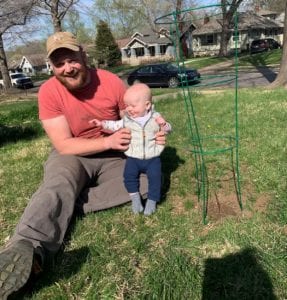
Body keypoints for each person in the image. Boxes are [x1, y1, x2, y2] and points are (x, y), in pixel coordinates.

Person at [0, 31, 166, 299]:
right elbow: (64, 144)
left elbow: (132, 117)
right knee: (57, 184)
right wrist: (107, 141)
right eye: (59, 63)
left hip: (115, 155)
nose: (67, 68)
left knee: (148, 180)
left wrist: (148, 131)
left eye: (71, 59)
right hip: (73, 153)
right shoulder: (48, 92)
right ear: (52, 67)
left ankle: (67, 205)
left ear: (83, 57)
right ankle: (28, 250)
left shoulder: (110, 82)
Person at [90, 83, 171, 216]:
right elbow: (114, 125)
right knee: (128, 177)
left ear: (147, 105)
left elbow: (168, 130)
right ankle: (135, 200)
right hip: (133, 158)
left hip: (152, 158)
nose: (128, 109)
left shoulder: (156, 119)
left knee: (155, 178)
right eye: (126, 106)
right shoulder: (127, 120)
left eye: (133, 106)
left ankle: (151, 201)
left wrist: (164, 125)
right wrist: (102, 124)